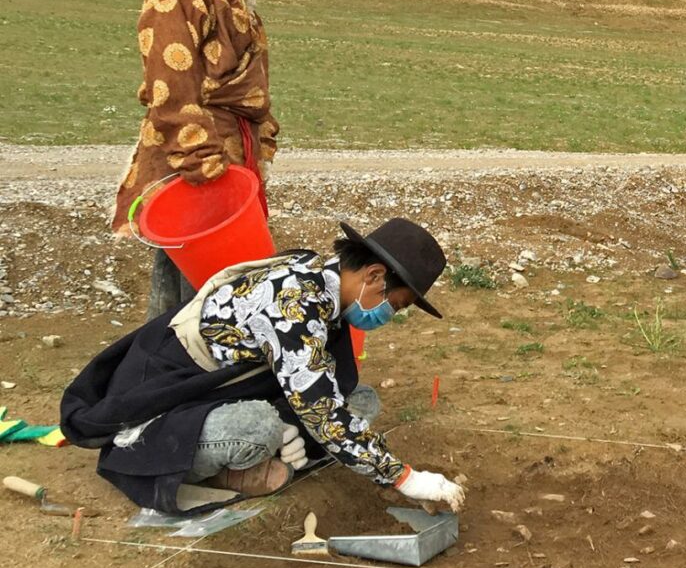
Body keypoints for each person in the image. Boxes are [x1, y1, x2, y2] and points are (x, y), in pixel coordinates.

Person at [61, 218, 467, 516]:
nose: (387, 316)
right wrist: (404, 477)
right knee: (258, 427)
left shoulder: (325, 290)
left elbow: (318, 388)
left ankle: (272, 448)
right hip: (171, 396)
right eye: (394, 305)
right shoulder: (294, 303)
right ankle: (223, 468)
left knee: (361, 401)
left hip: (238, 387)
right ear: (375, 276)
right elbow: (322, 411)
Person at [114, 0, 281, 320]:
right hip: (199, 149)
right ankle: (187, 365)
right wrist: (201, 159)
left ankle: (177, 360)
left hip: (230, 142)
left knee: (202, 261)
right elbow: (170, 82)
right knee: (202, 261)